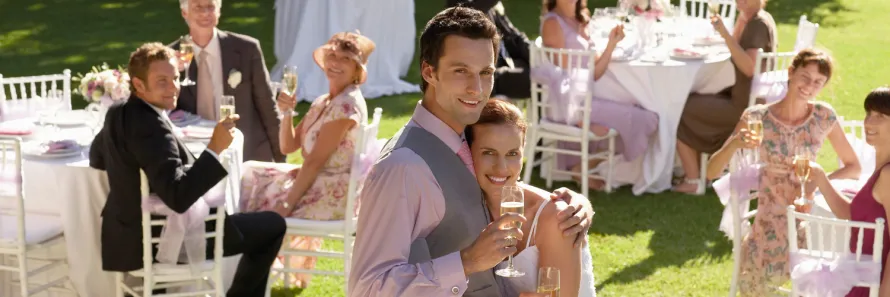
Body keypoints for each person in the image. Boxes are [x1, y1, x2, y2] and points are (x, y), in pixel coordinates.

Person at [348, 7, 594, 297]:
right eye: (461, 71)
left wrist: (570, 203)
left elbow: (492, 179)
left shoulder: (464, 135)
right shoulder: (402, 166)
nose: (476, 88)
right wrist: (468, 261)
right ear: (429, 71)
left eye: (486, 72)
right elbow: (367, 289)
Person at [89, 43, 286, 297]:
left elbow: (97, 157)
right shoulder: (153, 128)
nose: (174, 88)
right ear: (138, 85)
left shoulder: (118, 112)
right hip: (163, 239)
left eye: (176, 78)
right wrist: (214, 148)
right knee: (273, 225)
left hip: (128, 235)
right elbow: (178, 197)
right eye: (162, 81)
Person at [705, 49, 861, 296]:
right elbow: (711, 171)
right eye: (805, 76)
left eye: (818, 82)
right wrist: (735, 144)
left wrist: (819, 182)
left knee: (836, 246)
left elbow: (854, 167)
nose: (810, 86)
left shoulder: (823, 116)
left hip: (808, 215)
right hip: (771, 215)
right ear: (791, 72)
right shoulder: (757, 117)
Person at [238, 32, 373, 288]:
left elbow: (315, 162)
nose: (335, 62)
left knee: (251, 189)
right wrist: (287, 112)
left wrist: (286, 204)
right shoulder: (325, 101)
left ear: (356, 69)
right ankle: (245, 268)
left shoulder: (347, 106)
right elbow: (288, 145)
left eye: (344, 59)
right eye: (331, 56)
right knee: (247, 171)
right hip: (315, 180)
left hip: (331, 192)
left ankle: (247, 273)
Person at [466, 98, 597, 296]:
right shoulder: (467, 206)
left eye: (512, 153)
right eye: (489, 152)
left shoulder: (557, 218)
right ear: (468, 152)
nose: (501, 167)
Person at [540, 0, 658, 190]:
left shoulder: (580, 20)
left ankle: (586, 166)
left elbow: (594, 73)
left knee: (644, 113)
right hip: (569, 105)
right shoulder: (552, 23)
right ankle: (587, 168)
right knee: (646, 119)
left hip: (585, 101)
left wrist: (611, 44)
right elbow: (559, 77)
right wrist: (578, 118)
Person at [674, 0, 777, 193]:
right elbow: (735, 46)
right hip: (742, 97)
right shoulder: (752, 18)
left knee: (680, 109)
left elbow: (748, 68)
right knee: (690, 100)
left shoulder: (758, 25)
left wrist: (724, 34)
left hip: (744, 107)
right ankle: (696, 172)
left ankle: (694, 179)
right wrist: (738, 22)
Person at [169, 0, 284, 162]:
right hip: (196, 154)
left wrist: (280, 157)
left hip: (246, 151)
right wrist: (172, 71)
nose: (205, 13)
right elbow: (163, 110)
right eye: (198, 7)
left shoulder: (246, 49)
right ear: (184, 13)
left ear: (219, 11)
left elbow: (267, 105)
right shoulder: (170, 57)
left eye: (210, 6)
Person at [807, 87, 890, 297]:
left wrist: (883, 293)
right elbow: (853, 216)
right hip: (859, 274)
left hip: (874, 283)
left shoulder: (888, 175)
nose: (868, 122)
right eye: (868, 114)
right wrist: (821, 179)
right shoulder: (881, 169)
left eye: (880, 116)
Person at [447, 0, 532, 100]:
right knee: (542, 80)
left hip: (509, 63)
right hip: (488, 74)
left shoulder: (492, 7)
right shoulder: (460, 6)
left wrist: (536, 55)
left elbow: (512, 35)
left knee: (547, 72)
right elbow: (471, 8)